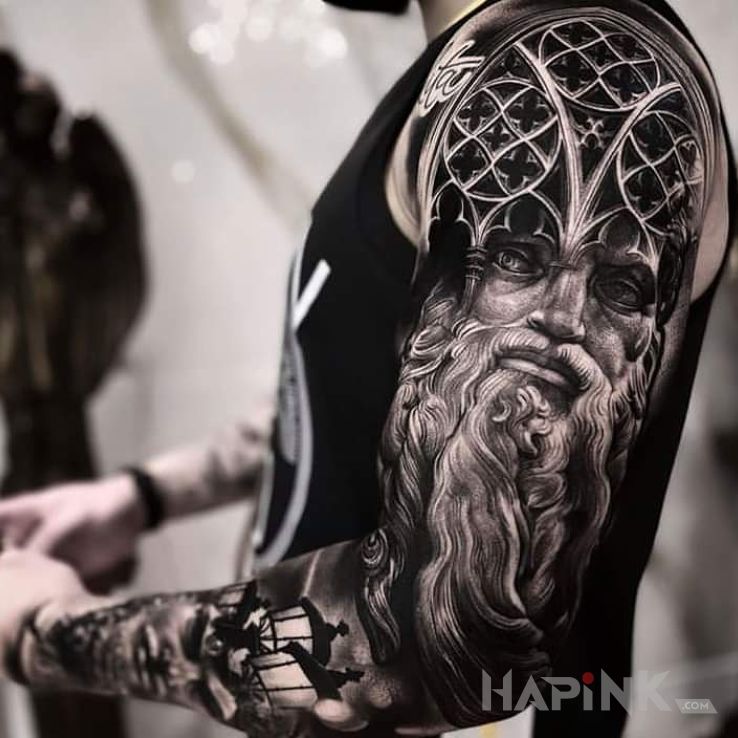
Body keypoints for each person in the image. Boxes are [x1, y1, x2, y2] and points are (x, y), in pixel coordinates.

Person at [0, 0, 734, 736]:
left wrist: (51, 628)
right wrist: (152, 493)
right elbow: (406, 399)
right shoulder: (475, 69)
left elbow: (431, 648)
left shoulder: (578, 74)